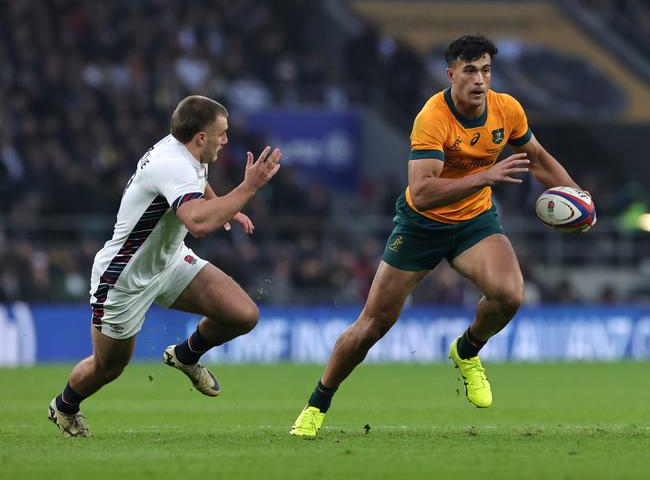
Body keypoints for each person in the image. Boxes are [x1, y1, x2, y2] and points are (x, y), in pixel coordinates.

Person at [290, 34, 588, 437]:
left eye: (485, 70)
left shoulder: (507, 110)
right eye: (470, 71)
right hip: (421, 226)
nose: (480, 80)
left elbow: (537, 159)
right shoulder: (433, 118)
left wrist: (577, 196)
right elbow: (424, 192)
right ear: (451, 74)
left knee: (510, 294)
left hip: (474, 222)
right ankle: (316, 404)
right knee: (372, 325)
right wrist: (484, 175)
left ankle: (467, 351)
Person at [48, 95, 281, 437]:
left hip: (170, 262)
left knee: (243, 314)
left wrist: (223, 205)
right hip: (124, 277)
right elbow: (198, 224)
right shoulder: (170, 162)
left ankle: (186, 355)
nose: (226, 140)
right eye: (222, 133)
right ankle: (64, 407)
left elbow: (196, 181)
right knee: (109, 367)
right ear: (201, 136)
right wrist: (247, 188)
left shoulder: (188, 151)